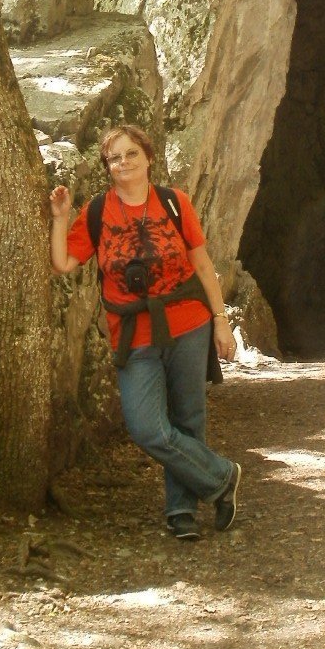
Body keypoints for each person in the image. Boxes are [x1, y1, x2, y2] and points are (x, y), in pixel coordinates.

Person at [49, 124, 241, 541]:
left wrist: (221, 320)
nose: (123, 163)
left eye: (131, 154)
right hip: (133, 330)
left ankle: (181, 510)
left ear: (148, 157)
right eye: (114, 158)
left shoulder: (175, 204)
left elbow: (203, 266)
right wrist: (61, 219)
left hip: (188, 322)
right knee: (148, 427)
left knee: (188, 417)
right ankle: (222, 477)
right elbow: (64, 264)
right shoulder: (98, 212)